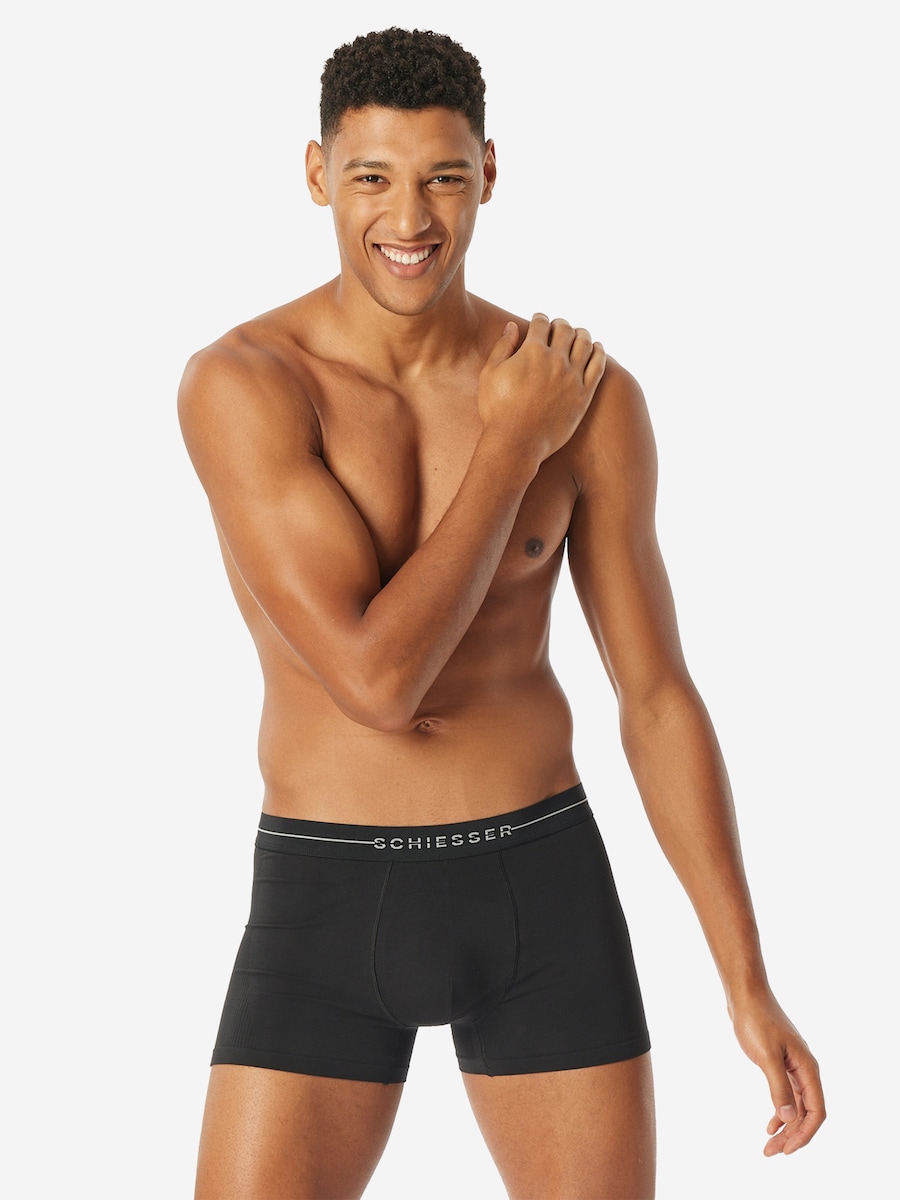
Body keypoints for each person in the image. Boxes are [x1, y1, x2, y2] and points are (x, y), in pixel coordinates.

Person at [178, 26, 825, 1199]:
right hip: (327, 896)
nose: (408, 217)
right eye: (372, 177)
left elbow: (656, 696)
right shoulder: (248, 384)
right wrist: (512, 444)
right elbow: (377, 683)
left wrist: (746, 978)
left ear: (489, 173)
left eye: (443, 176)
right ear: (319, 175)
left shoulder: (591, 398)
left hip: (541, 886)